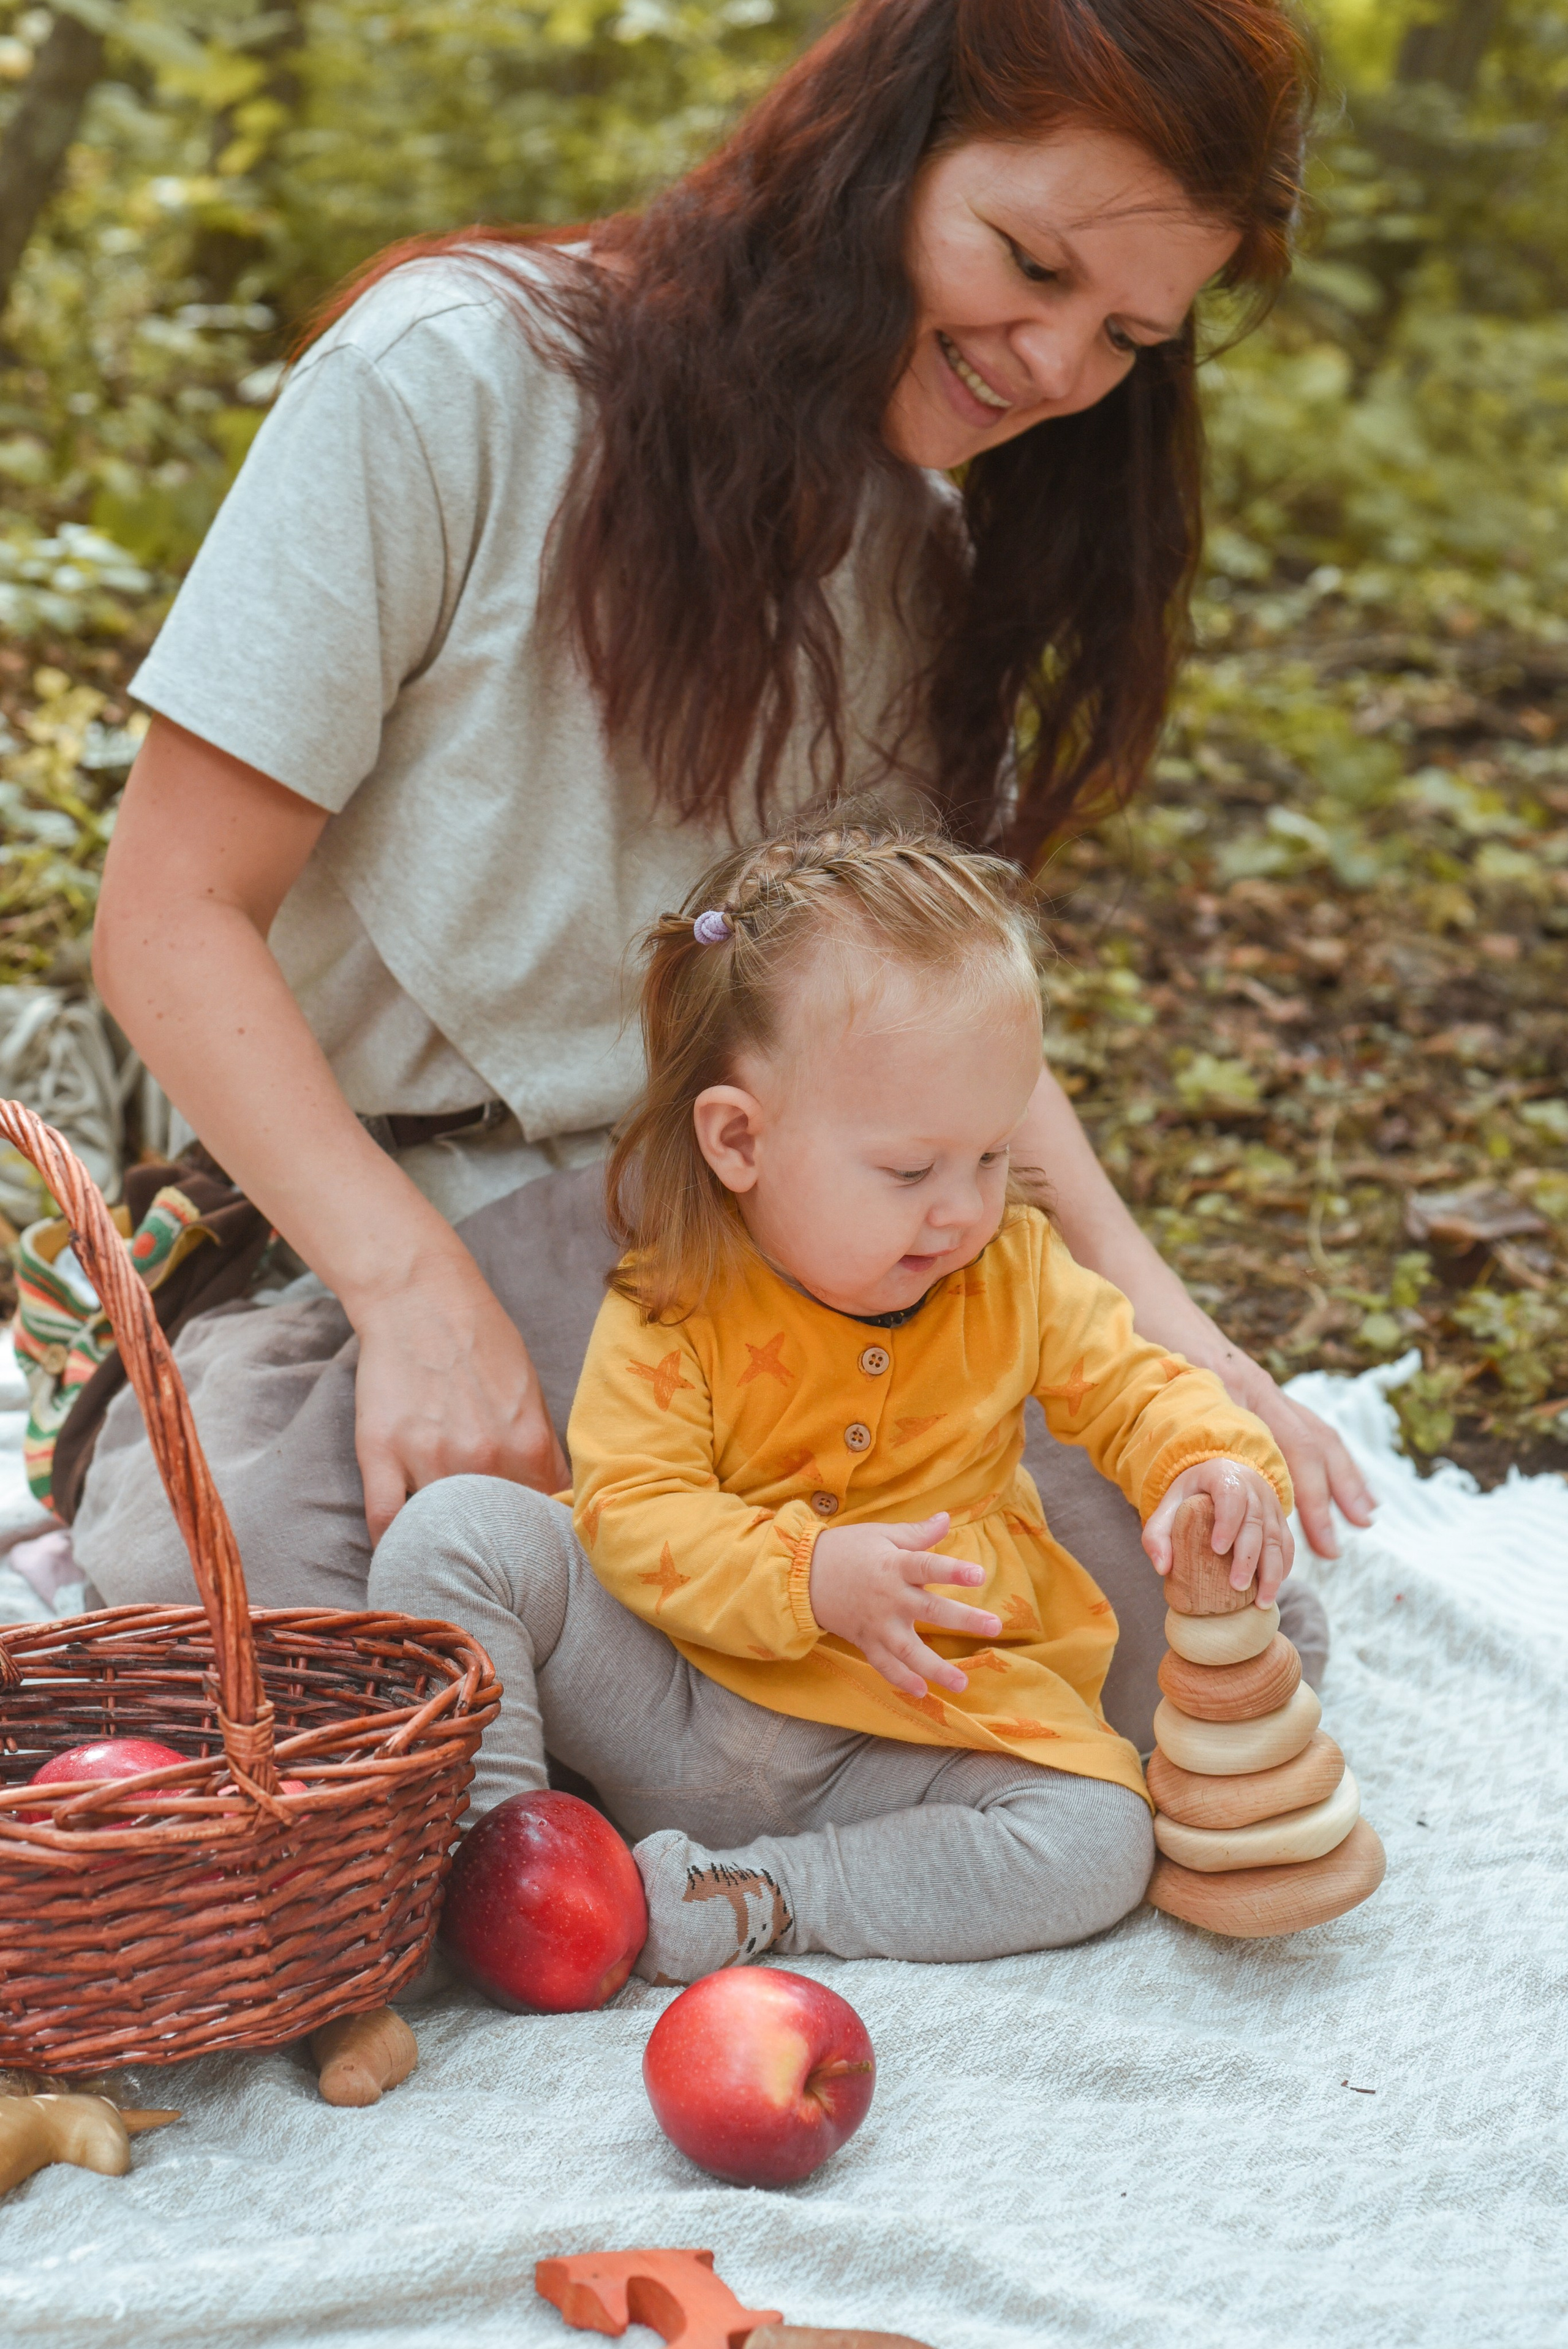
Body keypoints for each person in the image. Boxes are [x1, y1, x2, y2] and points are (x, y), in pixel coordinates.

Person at [78, 0, 1369, 1744]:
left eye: (1129, 332)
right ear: (875, 151)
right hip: (378, 1231)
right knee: (275, 1658)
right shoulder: (447, 378)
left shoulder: (924, 549)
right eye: (1028, 261)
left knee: (1210, 1602)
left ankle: (678, 1747)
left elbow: (938, 1031)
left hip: (771, 1267)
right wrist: (414, 1301)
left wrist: (1178, 1335)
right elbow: (168, 918)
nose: (1060, 365)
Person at [371, 818, 1295, 1977]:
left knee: (1101, 1840)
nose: (962, 1209)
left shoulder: (1012, 1272)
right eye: (911, 1171)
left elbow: (1135, 1385)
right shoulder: (676, 1302)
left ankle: (755, 1899)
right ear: (741, 1141)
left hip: (909, 1726)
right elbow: (632, 1511)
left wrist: (1211, 1465)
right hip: (674, 1688)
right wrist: (811, 1576)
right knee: (460, 1533)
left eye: (994, 1157)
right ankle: (503, 1864)